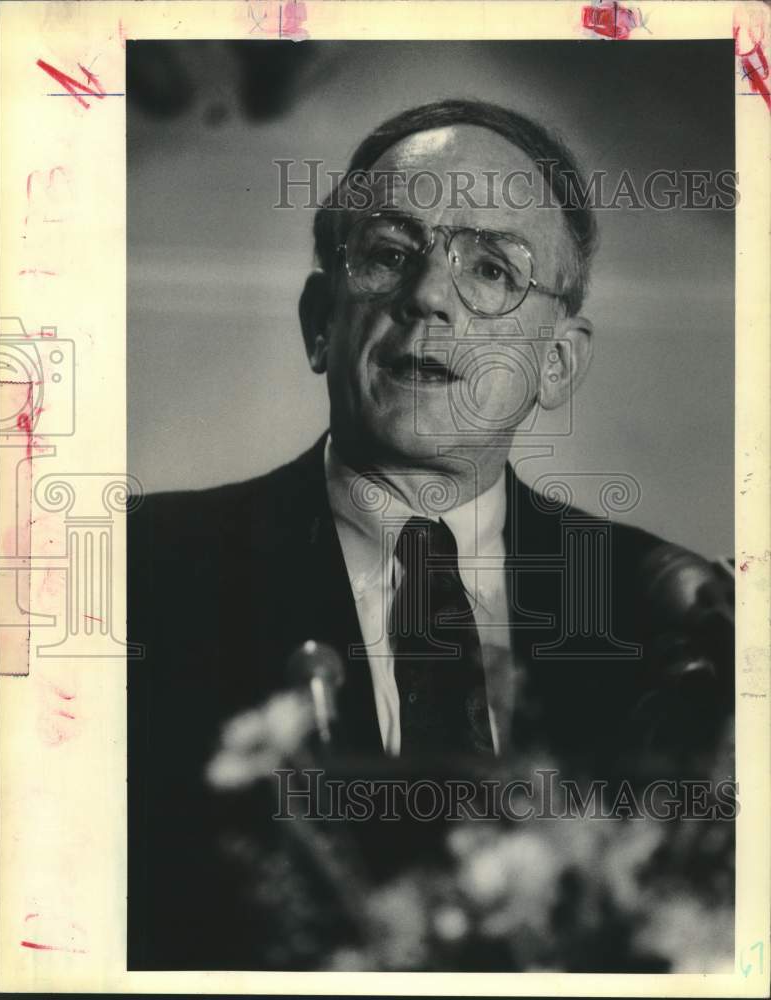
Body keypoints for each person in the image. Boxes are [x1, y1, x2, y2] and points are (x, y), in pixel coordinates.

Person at [127, 99, 732, 968]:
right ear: (320, 323)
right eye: (387, 255)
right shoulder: (141, 576)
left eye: (490, 269)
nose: (427, 297)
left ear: (556, 364)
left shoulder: (675, 613)